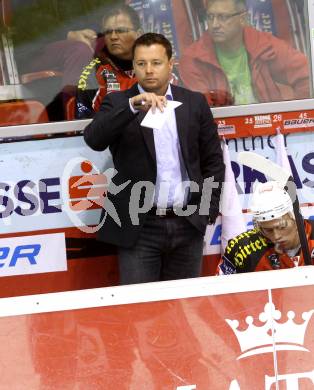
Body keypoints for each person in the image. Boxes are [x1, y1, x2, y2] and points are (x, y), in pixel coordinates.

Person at [84, 33, 224, 285]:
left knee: (185, 308)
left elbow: (213, 162)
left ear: (171, 64)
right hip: (139, 227)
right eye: (141, 63)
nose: (148, 70)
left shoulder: (193, 102)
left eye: (156, 63)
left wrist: (206, 211)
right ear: (134, 66)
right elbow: (94, 139)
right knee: (141, 314)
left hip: (188, 221)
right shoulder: (117, 102)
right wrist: (131, 107)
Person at [179, 0, 310, 106]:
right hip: (221, 131)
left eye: (223, 17)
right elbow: (200, 111)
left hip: (267, 127)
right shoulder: (192, 59)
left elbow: (308, 75)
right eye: (210, 17)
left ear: (243, 19)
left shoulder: (262, 44)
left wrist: (296, 115)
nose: (214, 24)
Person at [217, 181, 314, 274]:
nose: (276, 236)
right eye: (268, 230)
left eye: (282, 227)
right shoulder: (241, 248)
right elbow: (219, 287)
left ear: (296, 219)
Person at [76, 4, 142, 118]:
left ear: (139, 34)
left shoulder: (156, 64)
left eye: (121, 30)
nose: (113, 37)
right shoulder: (92, 74)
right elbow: (86, 123)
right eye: (108, 31)